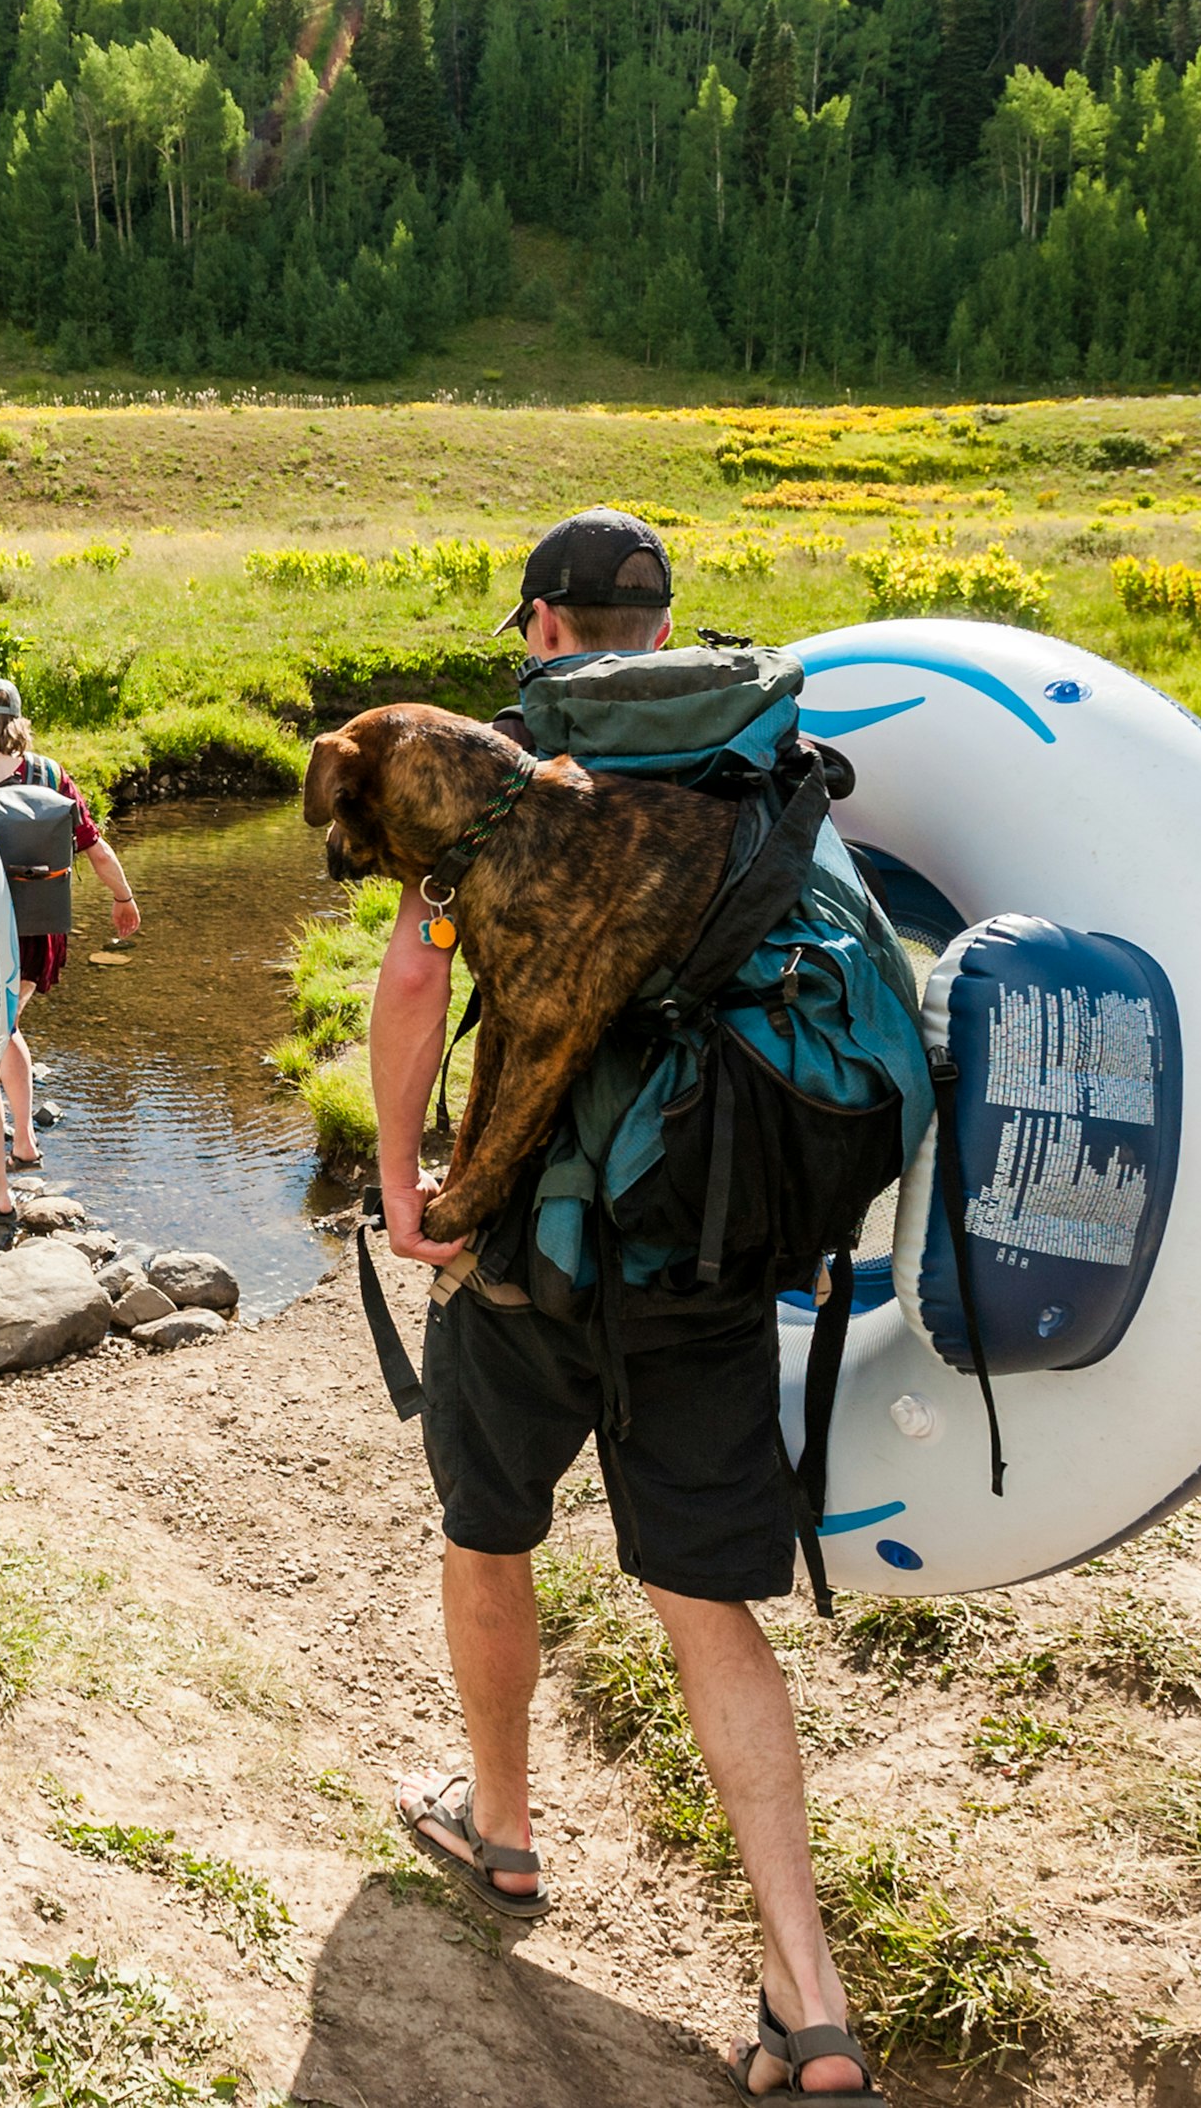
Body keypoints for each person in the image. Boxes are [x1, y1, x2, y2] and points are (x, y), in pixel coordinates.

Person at [373, 509, 889, 2102]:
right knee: (701, 1600)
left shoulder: (519, 762)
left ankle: (503, 1828)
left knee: (488, 1525)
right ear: (662, 618)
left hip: (531, 1241)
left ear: (539, 625)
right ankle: (808, 1996)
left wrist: (406, 1185)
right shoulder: (764, 751)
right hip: (710, 1250)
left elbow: (413, 983)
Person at [0, 676, 139, 1213]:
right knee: (8, 1026)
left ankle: (0, 1190)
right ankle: (27, 1143)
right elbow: (96, 850)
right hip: (39, 937)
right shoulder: (50, 774)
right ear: (18, 721)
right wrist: (124, 899)